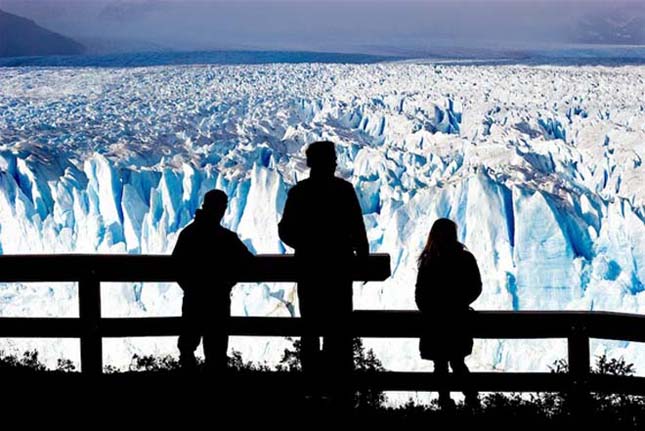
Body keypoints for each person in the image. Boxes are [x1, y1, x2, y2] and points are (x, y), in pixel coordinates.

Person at [278, 140, 369, 397]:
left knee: (310, 329)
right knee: (338, 330)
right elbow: (357, 227)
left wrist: (305, 244)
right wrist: (360, 255)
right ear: (329, 162)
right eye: (333, 159)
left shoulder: (300, 193)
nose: (336, 162)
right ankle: (339, 389)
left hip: (309, 269)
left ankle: (312, 389)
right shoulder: (344, 190)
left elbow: (285, 230)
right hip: (339, 269)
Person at [173, 189, 253, 372]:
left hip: (194, 297)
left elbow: (176, 265)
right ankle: (214, 388)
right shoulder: (226, 238)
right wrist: (228, 281)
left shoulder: (189, 234)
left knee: (188, 345)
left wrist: (190, 286)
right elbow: (248, 261)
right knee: (216, 348)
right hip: (218, 298)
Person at [415, 218, 482, 409]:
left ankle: (445, 402)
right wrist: (459, 303)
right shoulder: (465, 258)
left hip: (434, 322)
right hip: (458, 319)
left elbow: (420, 294)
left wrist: (431, 309)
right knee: (458, 362)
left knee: (440, 365)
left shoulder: (428, 260)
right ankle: (472, 399)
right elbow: (476, 287)